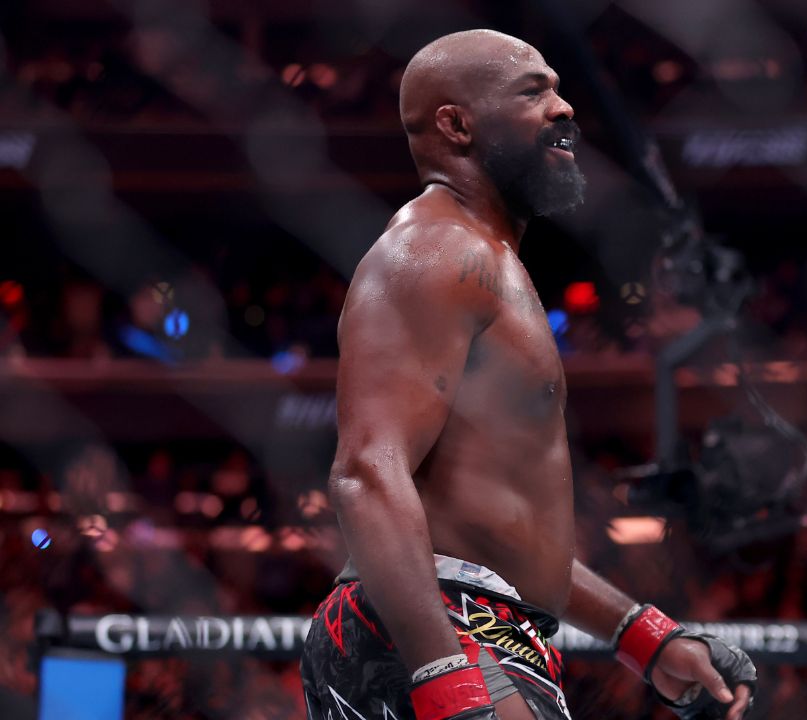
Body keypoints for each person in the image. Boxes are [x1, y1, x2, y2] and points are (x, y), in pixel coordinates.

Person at [300, 29, 756, 720]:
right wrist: (441, 669)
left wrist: (645, 637)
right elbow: (365, 472)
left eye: (558, 86)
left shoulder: (482, 260)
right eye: (532, 90)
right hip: (444, 628)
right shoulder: (435, 251)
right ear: (457, 124)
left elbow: (500, 534)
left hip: (472, 621)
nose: (565, 107)